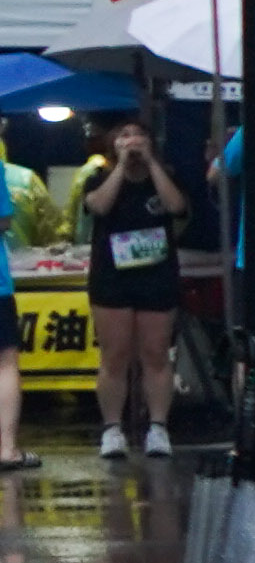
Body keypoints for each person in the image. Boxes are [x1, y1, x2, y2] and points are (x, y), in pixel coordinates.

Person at [78, 113, 194, 457]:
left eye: (138, 135)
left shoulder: (165, 177)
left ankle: (158, 427)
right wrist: (120, 166)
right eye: (124, 135)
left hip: (156, 277)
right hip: (112, 278)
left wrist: (151, 164)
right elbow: (98, 206)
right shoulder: (98, 178)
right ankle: (112, 429)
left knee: (156, 353)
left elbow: (176, 206)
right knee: (114, 356)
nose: (132, 141)